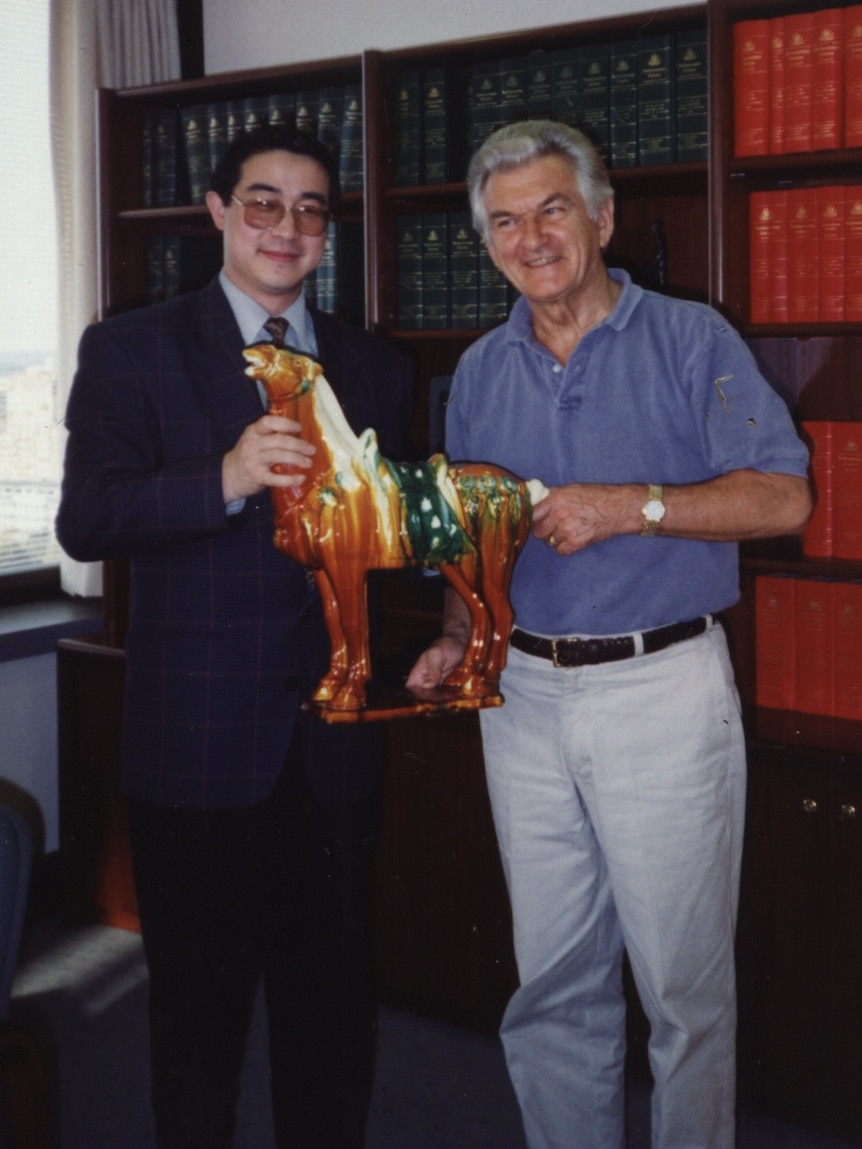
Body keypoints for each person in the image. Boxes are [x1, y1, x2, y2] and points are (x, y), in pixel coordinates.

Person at [407, 120, 811, 1149]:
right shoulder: (478, 372)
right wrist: (458, 635)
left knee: (681, 991)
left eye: (550, 208)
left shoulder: (689, 338)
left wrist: (633, 506)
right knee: (551, 981)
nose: (530, 236)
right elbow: (469, 538)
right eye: (504, 221)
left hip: (659, 693)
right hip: (524, 701)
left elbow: (781, 499)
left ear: (602, 216)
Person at [57, 124, 413, 1149]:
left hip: (336, 745)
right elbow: (88, 521)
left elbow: (388, 536)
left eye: (309, 209)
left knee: (332, 1021)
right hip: (198, 747)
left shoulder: (372, 367)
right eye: (263, 201)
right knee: (196, 1027)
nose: (286, 228)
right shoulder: (130, 349)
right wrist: (223, 479)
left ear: (327, 230)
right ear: (217, 212)